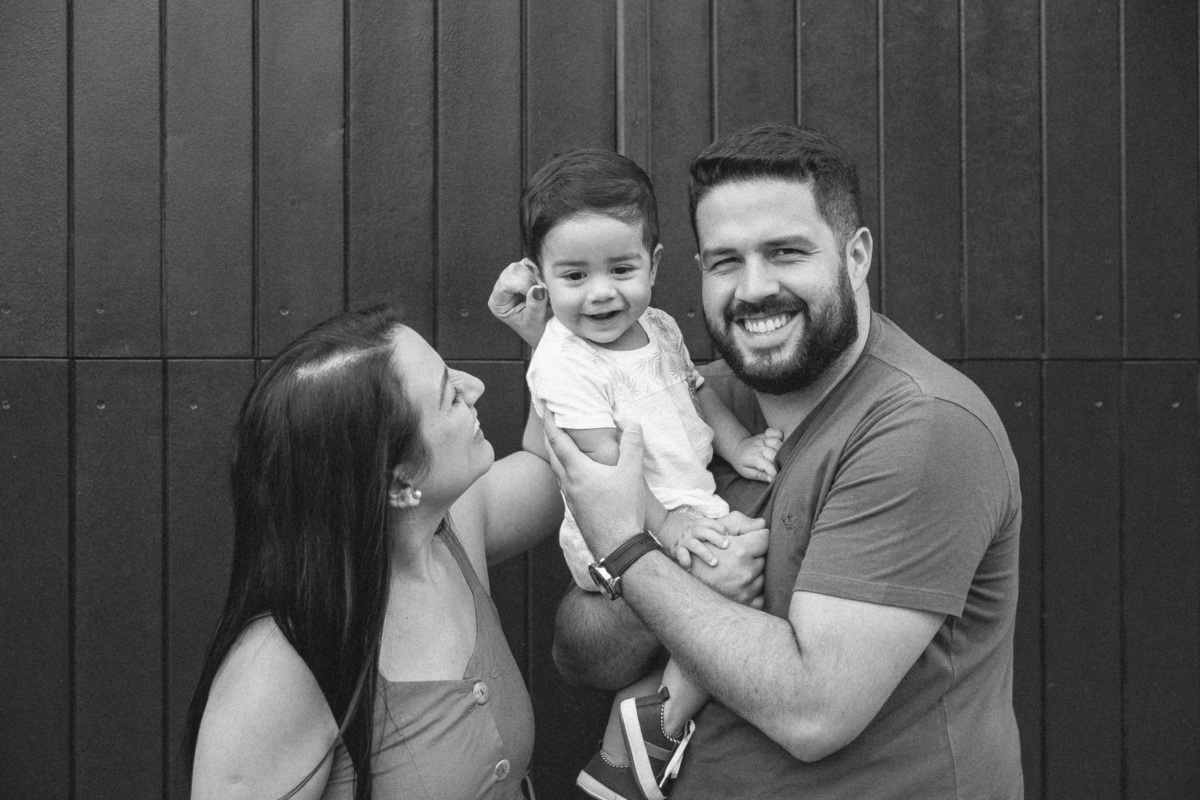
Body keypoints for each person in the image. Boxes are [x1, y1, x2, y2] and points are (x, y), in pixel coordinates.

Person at [490, 123, 1024, 798]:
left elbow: (813, 712)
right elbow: (583, 652)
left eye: (786, 252)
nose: (754, 288)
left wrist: (632, 556)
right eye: (725, 261)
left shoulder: (922, 428)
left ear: (857, 256)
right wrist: (551, 346)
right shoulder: (686, 403)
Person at [182, 304, 564, 800]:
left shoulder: (456, 523)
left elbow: (552, 470)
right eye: (450, 395)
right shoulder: (275, 670)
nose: (475, 387)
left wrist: (552, 339)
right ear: (400, 482)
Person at [504, 149, 781, 800]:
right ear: (541, 279)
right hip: (620, 531)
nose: (601, 293)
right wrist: (670, 525)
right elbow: (606, 474)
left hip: (678, 504)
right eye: (575, 275)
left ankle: (619, 757)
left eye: (621, 269)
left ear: (653, 266)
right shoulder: (562, 364)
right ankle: (662, 718)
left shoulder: (656, 326)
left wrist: (739, 446)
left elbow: (697, 394)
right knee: (742, 572)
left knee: (733, 579)